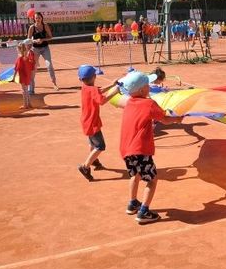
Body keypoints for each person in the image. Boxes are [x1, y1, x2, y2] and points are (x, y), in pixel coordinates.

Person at [119, 71, 182, 224]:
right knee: (152, 180)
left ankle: (133, 202)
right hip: (140, 149)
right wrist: (178, 119)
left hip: (127, 149)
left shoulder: (128, 102)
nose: (150, 86)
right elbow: (165, 119)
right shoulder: (149, 103)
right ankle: (144, 212)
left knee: (135, 175)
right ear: (142, 90)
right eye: (148, 84)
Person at [77, 65, 120, 181]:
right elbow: (102, 100)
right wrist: (115, 91)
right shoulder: (93, 89)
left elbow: (98, 91)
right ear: (94, 77)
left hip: (86, 121)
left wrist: (111, 85)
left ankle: (94, 160)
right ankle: (85, 166)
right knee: (100, 146)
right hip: (92, 122)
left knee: (92, 144)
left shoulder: (85, 87)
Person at [27, 12, 58, 93]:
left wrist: (42, 40)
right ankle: (31, 88)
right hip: (35, 49)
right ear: (34, 19)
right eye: (36, 18)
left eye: (39, 17)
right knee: (33, 68)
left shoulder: (45, 25)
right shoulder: (31, 27)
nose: (38, 19)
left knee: (49, 65)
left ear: (42, 18)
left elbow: (50, 37)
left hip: (45, 48)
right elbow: (28, 40)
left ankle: (54, 83)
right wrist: (35, 40)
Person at [12, 42, 33, 110]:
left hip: (23, 76)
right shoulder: (26, 57)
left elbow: (16, 68)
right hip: (27, 75)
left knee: (24, 90)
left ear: (19, 49)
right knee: (26, 89)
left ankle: (25, 104)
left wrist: (14, 77)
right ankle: (29, 103)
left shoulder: (20, 58)